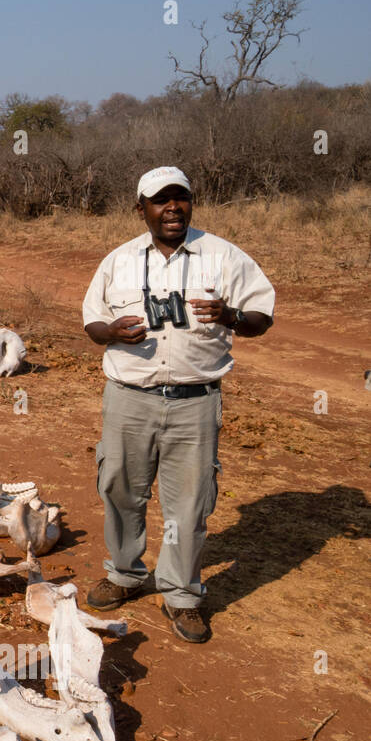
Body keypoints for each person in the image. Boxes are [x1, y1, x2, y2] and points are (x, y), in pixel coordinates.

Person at [81, 166, 275, 642]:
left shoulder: (223, 256)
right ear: (141, 208)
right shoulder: (118, 261)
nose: (172, 207)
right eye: (160, 199)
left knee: (189, 503)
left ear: (191, 201)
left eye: (180, 198)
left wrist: (231, 316)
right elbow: (92, 323)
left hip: (196, 401)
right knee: (122, 490)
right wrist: (111, 332)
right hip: (129, 397)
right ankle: (125, 573)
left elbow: (262, 317)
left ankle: (182, 595)